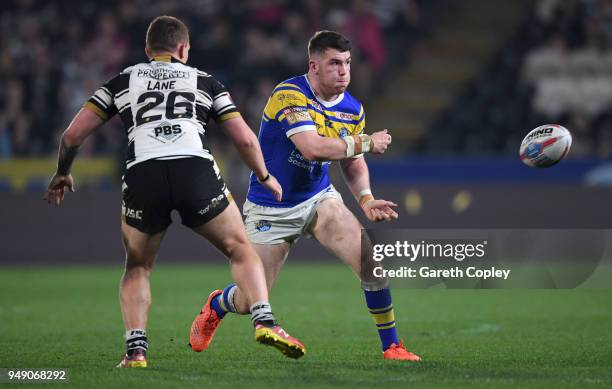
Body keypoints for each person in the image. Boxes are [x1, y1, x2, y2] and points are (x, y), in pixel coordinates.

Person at [44, 15, 305, 368]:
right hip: (193, 167)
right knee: (240, 248)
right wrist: (264, 175)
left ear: (148, 50)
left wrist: (62, 172)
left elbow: (72, 136)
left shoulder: (123, 81)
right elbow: (243, 137)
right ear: (183, 49)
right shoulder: (205, 81)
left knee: (138, 265)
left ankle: (136, 351)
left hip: (143, 172)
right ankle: (264, 320)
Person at [189, 30, 421, 361]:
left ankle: (392, 346)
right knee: (249, 299)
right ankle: (217, 304)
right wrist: (367, 141)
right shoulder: (289, 94)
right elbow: (311, 149)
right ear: (313, 66)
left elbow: (352, 163)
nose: (344, 71)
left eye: (348, 63)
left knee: (371, 261)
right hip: (271, 208)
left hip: (319, 201)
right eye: (335, 63)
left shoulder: (353, 109)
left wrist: (366, 199)